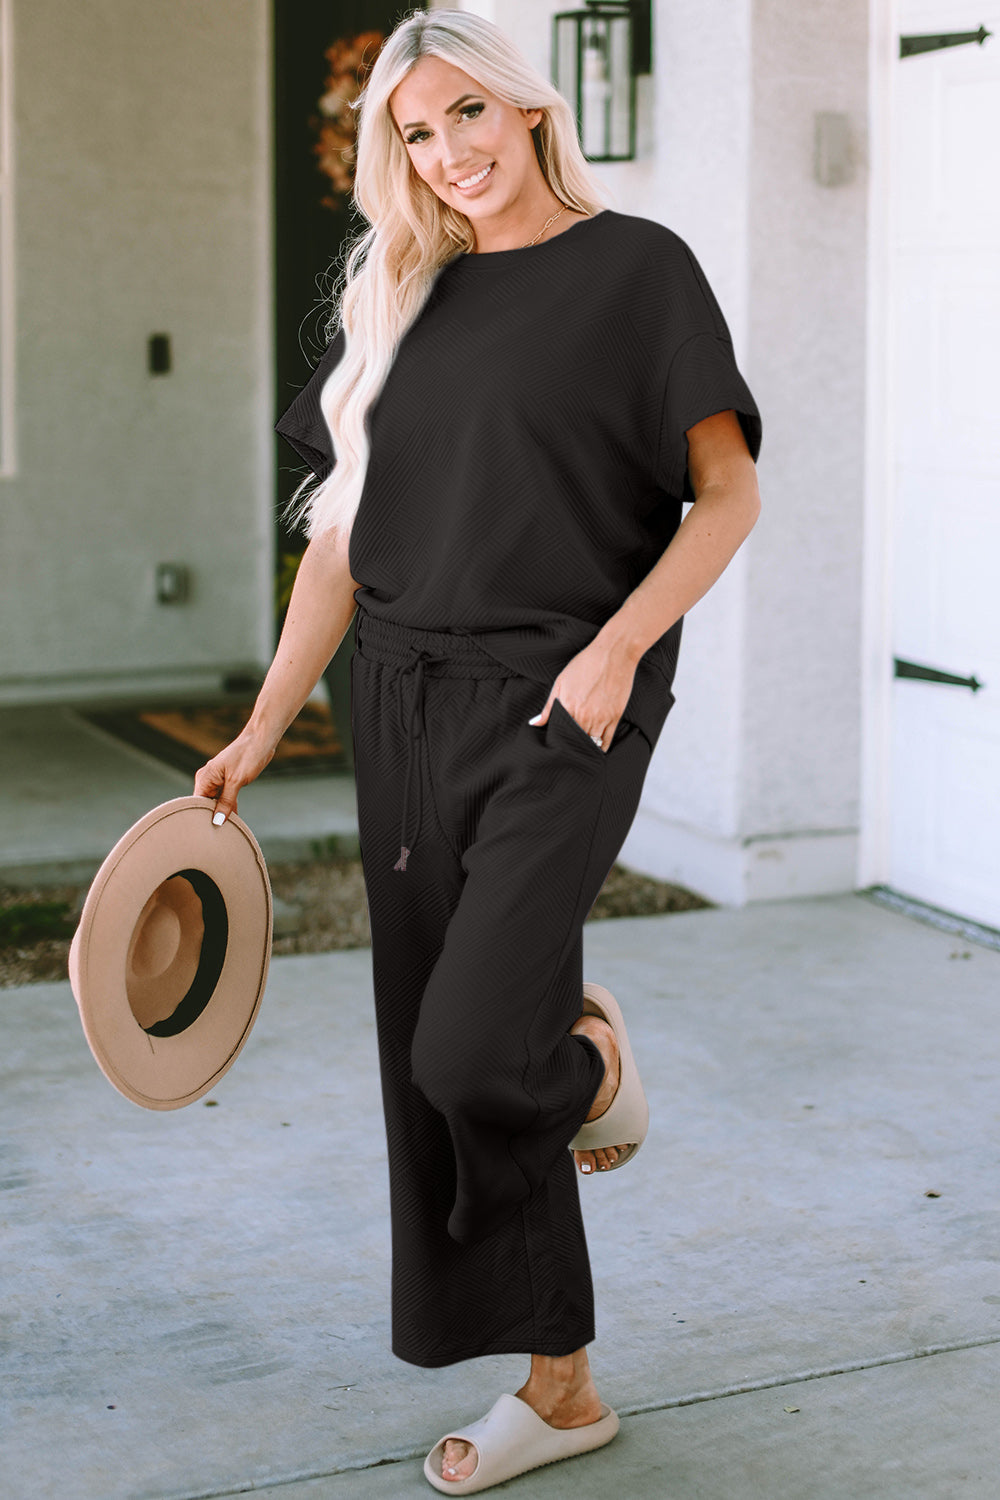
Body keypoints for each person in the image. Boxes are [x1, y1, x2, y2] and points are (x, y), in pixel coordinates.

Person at [194, 8, 762, 1493]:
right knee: (426, 1060)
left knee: (475, 1050)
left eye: (464, 115)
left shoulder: (639, 271)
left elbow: (726, 499)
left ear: (526, 107)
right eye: (415, 132)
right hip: (397, 702)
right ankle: (560, 1386)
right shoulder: (397, 294)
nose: (447, 154)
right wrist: (262, 729)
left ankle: (582, 1065)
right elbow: (335, 552)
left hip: (564, 702)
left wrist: (618, 648)